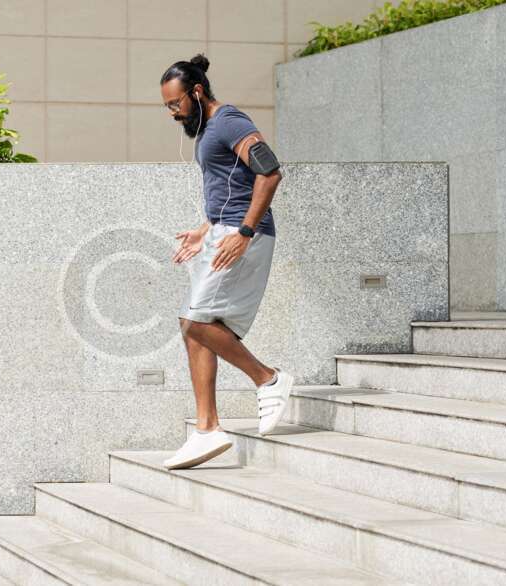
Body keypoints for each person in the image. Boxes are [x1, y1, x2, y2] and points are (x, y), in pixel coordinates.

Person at [160, 53, 294, 470]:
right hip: (224, 231)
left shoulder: (229, 121)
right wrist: (206, 228)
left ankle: (267, 378)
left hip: (244, 235)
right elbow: (229, 184)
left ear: (197, 92)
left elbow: (269, 171)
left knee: (196, 321)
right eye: (167, 106)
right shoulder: (209, 130)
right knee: (193, 328)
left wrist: (245, 232)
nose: (173, 113)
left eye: (176, 103)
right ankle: (207, 429)